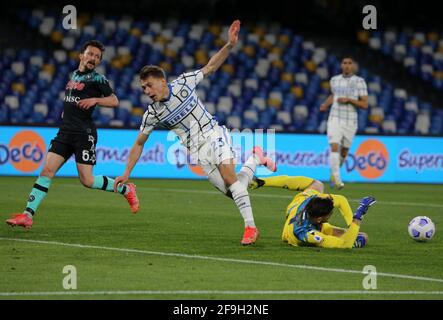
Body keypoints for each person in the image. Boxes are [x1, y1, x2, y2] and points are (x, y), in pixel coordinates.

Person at [113, 20, 276, 245]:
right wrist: (127, 172)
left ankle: (251, 228)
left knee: (230, 178)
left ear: (162, 81)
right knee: (234, 189)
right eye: (143, 88)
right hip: (198, 153)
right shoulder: (152, 114)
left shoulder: (184, 83)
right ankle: (255, 158)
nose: (147, 91)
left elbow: (210, 67)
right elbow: (139, 143)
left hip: (213, 134)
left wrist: (229, 45)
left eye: (149, 85)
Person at [6, 40, 139, 230]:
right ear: (81, 55)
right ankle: (27, 215)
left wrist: (95, 100)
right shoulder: (74, 76)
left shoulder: (98, 79)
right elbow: (72, 99)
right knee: (46, 172)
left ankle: (126, 189)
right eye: (90, 54)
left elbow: (114, 100)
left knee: (87, 181)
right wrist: (66, 112)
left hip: (83, 134)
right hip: (65, 132)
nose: (93, 58)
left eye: (97, 57)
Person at [250, 175, 376, 249]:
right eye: (329, 214)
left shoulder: (312, 200)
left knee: (317, 185)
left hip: (296, 207)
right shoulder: (308, 233)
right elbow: (345, 245)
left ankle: (262, 181)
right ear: (320, 219)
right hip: (290, 233)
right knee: (362, 237)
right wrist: (358, 215)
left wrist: (350, 225)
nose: (331, 215)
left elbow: (341, 200)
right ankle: (353, 236)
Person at [320, 56, 369, 189]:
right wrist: (325, 104)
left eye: (349, 63)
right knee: (334, 147)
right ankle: (337, 178)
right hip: (334, 118)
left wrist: (349, 100)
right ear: (341, 65)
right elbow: (333, 96)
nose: (347, 65)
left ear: (353, 66)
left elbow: (365, 104)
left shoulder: (359, 81)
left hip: (350, 121)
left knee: (344, 152)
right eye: (344, 63)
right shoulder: (334, 80)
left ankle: (334, 173)